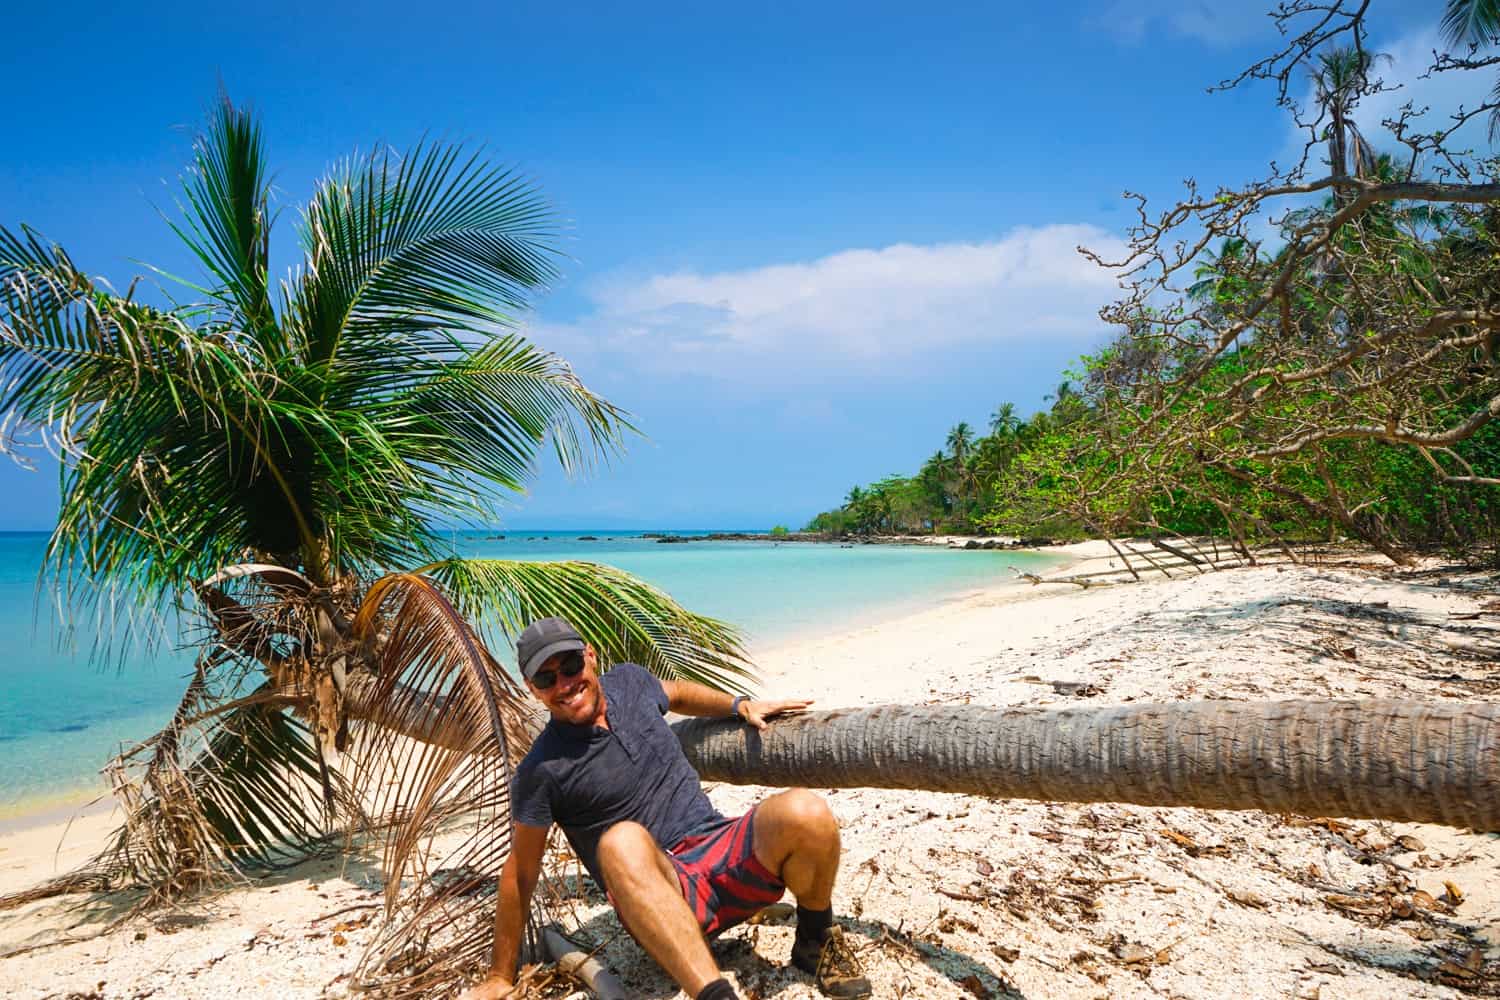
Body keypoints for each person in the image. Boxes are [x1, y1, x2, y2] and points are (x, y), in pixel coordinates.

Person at [461, 616, 871, 1000]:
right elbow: (521, 871)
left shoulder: (629, 683)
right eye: (546, 678)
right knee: (621, 840)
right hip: (664, 900)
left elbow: (675, 692)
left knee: (806, 811)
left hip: (720, 854)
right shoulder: (541, 769)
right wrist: (500, 975)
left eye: (569, 666)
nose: (564, 684)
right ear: (532, 688)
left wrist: (738, 705)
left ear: (590, 655)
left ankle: (815, 940)